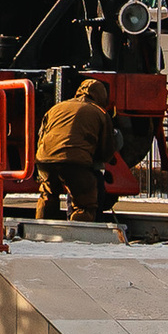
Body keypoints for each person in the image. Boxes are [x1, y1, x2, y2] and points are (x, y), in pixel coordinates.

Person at [36, 75, 121, 223]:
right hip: (75, 162)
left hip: (44, 159)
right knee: (85, 203)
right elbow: (106, 147)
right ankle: (77, 237)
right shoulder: (99, 112)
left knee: (48, 195)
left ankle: (42, 230)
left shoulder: (57, 108)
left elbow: (41, 135)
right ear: (101, 96)